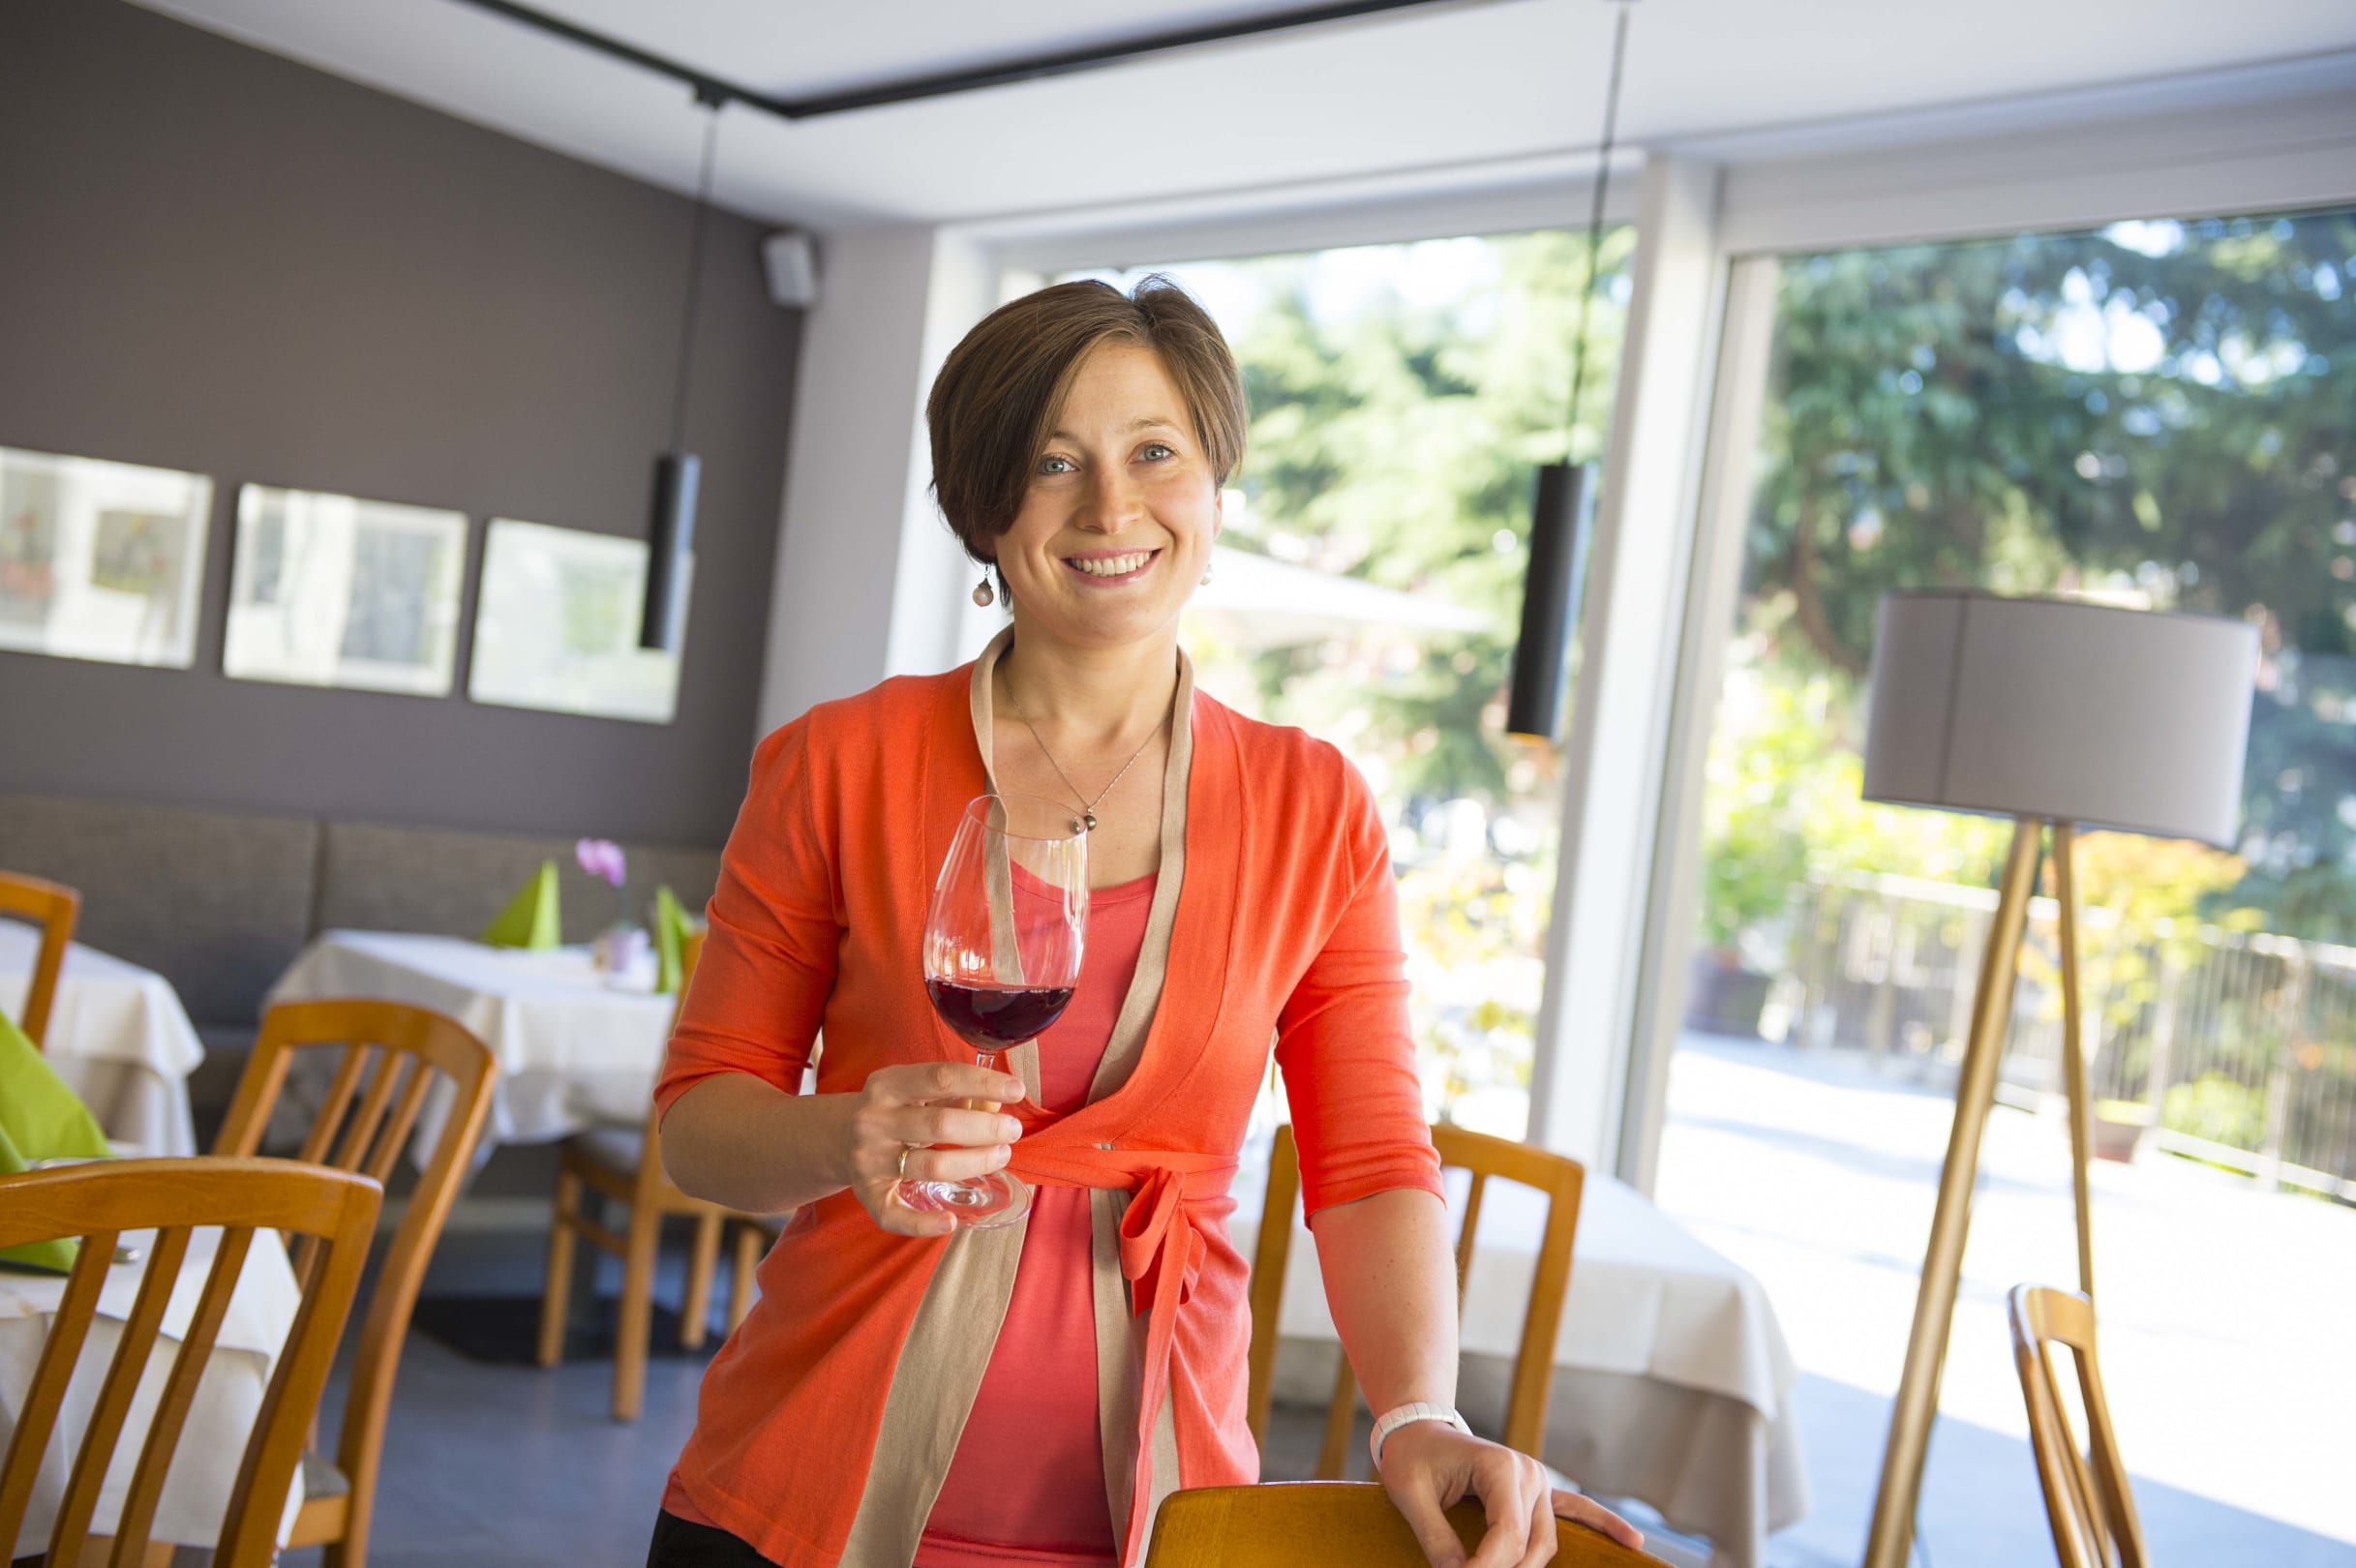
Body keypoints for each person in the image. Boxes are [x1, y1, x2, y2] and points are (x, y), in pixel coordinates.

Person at [648, 276, 1642, 1568]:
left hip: (1163, 1518)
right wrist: (844, 1135)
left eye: (1155, 453)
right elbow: (700, 1125)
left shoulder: (1311, 807)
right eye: (1052, 462)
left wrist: (1417, 1411)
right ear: (983, 509)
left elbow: (1368, 1161)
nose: (1110, 509)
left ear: (1215, 487)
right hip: (798, 1497)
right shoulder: (838, 762)